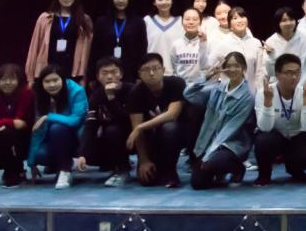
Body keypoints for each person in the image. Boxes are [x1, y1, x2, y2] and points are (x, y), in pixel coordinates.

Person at [184, 51, 256, 189]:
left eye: (237, 66)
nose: (232, 69)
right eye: (228, 66)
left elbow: (229, 130)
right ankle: (217, 172)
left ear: (244, 68)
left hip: (232, 145)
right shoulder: (217, 88)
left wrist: (207, 155)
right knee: (197, 184)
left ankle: (238, 168)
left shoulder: (248, 98)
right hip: (211, 143)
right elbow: (188, 94)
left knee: (211, 163)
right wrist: (207, 76)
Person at [253, 54, 306, 185]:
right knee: (262, 140)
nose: (293, 77)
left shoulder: (305, 93)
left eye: (297, 73)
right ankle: (264, 174)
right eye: (288, 73)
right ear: (277, 74)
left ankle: (295, 169)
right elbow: (264, 127)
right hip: (276, 137)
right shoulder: (264, 93)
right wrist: (268, 102)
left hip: (297, 137)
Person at [127, 53, 186, 187]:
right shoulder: (135, 93)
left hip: (178, 133)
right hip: (152, 137)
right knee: (146, 180)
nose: (152, 73)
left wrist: (140, 127)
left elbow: (172, 114)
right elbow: (137, 131)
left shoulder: (176, 83)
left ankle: (171, 172)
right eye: (146, 70)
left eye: (156, 68)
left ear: (163, 70)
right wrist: (144, 160)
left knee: (169, 127)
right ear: (139, 74)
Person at [27, 64, 86, 189]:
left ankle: (65, 170)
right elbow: (37, 130)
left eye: (55, 80)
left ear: (63, 80)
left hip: (77, 137)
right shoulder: (40, 95)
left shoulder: (77, 91)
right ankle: (57, 163)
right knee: (39, 155)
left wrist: (48, 117)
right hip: (52, 139)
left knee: (57, 128)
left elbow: (75, 120)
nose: (52, 85)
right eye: (47, 81)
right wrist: (32, 163)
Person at [77, 57, 132, 187]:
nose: (109, 77)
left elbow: (126, 120)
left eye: (113, 72)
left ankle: (123, 170)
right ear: (98, 77)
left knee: (113, 130)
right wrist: (83, 154)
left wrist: (111, 98)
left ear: (121, 74)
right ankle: (111, 164)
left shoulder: (131, 90)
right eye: (105, 73)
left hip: (134, 136)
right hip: (110, 138)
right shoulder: (96, 96)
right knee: (88, 149)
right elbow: (91, 125)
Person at [25, 0, 93, 85]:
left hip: (72, 72)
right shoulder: (45, 18)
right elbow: (34, 47)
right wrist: (30, 77)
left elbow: (86, 53)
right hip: (47, 69)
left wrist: (83, 79)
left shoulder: (84, 20)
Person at [90, 0, 147, 82]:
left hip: (131, 73)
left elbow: (142, 51)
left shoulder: (138, 22)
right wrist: (92, 77)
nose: (120, 0)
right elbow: (95, 51)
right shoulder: (101, 22)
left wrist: (140, 76)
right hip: (106, 72)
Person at [0, 64, 34, 187]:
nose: (7, 83)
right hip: (2, 135)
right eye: (3, 79)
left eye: (12, 79)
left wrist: (4, 123)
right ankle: (12, 170)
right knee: (3, 132)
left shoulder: (27, 94)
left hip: (25, 138)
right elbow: (16, 122)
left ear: (19, 80)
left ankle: (13, 171)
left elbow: (22, 124)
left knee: (5, 133)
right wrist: (9, 122)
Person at [211, 7, 267, 87]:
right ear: (230, 25)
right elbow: (209, 67)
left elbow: (260, 72)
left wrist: (260, 91)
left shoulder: (256, 43)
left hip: (251, 92)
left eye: (242, 17)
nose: (240, 20)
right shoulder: (223, 45)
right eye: (235, 18)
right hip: (229, 92)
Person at [263, 7, 306, 82]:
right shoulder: (270, 42)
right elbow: (270, 72)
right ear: (277, 23)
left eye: (291, 19)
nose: (288, 23)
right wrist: (271, 57)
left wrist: (299, 85)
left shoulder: (304, 39)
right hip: (276, 84)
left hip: (298, 84)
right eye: (284, 20)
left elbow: (305, 67)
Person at [144, 0, 183, 73]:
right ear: (154, 2)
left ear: (172, 1)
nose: (164, 2)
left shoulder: (180, 21)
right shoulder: (147, 20)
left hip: (175, 72)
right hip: (152, 72)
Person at [169, 8, 211, 85]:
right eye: (187, 19)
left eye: (195, 19)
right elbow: (174, 69)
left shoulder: (206, 43)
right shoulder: (176, 44)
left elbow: (205, 67)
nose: (191, 22)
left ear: (200, 22)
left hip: (199, 87)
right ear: (182, 22)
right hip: (181, 87)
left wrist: (203, 44)